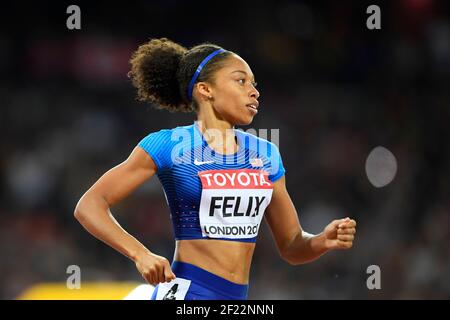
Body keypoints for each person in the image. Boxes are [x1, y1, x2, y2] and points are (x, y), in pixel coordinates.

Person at [74, 37, 357, 300]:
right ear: (205, 89)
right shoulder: (169, 145)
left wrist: (321, 241)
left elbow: (292, 245)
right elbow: (89, 205)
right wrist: (140, 254)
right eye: (241, 81)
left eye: (254, 84)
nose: (254, 91)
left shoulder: (265, 153)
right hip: (187, 293)